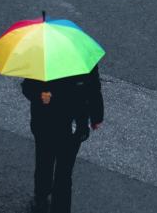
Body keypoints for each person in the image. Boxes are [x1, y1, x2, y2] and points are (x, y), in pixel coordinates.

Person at [21, 65, 104, 213]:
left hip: (47, 125)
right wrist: (96, 116)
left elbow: (28, 87)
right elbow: (94, 90)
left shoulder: (44, 61)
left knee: (46, 165)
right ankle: (56, 206)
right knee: (61, 172)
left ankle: (41, 201)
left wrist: (41, 96)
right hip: (69, 127)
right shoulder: (83, 61)